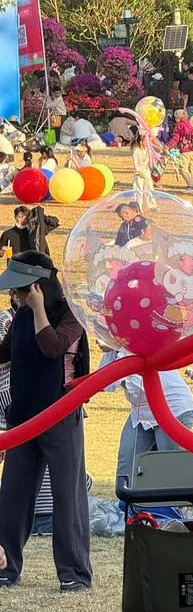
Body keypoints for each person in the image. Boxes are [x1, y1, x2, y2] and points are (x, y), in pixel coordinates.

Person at [0, 252, 92, 591]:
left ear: (36, 287)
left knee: (67, 496)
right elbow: (4, 354)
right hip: (22, 419)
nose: (14, 297)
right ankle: (5, 566)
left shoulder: (71, 315)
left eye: (20, 290)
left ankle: (74, 574)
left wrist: (38, 310)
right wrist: (27, 312)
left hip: (60, 416)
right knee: (13, 496)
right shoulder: (21, 315)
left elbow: (53, 348)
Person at [98, 345, 193, 485]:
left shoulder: (137, 345)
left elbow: (141, 383)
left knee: (171, 465)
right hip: (142, 412)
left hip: (172, 408)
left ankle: (176, 505)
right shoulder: (115, 353)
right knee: (127, 457)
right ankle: (126, 503)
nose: (97, 341)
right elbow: (105, 384)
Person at [171, 110, 193, 191]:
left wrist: (168, 146)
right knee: (192, 170)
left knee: (183, 169)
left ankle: (191, 185)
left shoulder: (180, 125)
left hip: (185, 150)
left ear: (178, 118)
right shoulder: (191, 123)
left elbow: (176, 138)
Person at [130, 128, 157, 212]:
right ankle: (138, 207)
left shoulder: (147, 150)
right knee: (139, 190)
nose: (147, 143)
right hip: (139, 172)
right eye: (146, 141)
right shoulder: (136, 151)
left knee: (149, 188)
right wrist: (139, 171)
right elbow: (135, 163)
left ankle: (152, 206)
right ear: (141, 142)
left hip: (146, 170)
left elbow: (149, 160)